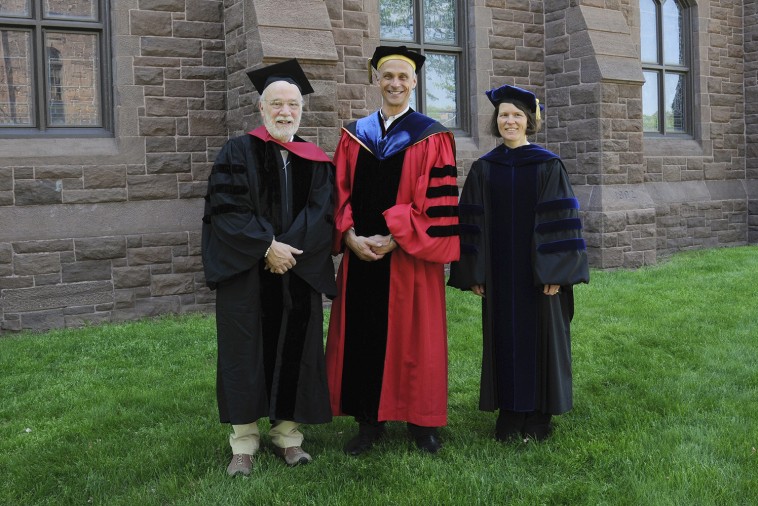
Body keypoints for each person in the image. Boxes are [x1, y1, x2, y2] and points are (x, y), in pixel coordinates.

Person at [201, 59, 335, 476]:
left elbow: (323, 213)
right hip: (248, 275)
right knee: (245, 353)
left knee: (295, 349)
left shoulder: (315, 159)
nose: (285, 112)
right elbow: (226, 211)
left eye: (292, 105)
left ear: (301, 110)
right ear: (261, 109)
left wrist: (288, 251)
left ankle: (288, 437)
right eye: (276, 104)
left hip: (295, 271)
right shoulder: (237, 151)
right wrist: (266, 247)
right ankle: (243, 442)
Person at [325, 46, 460, 455]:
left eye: (403, 77)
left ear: (415, 82)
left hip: (408, 257)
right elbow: (338, 193)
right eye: (388, 76)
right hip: (361, 254)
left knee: (417, 340)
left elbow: (439, 204)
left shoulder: (432, 136)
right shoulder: (354, 134)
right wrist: (348, 236)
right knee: (363, 336)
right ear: (376, 81)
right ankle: (369, 422)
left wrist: (397, 237)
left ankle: (423, 424)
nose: (395, 83)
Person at [448, 84, 589, 442]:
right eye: (504, 115)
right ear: (496, 121)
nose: (509, 121)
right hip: (499, 273)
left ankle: (539, 417)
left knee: (541, 338)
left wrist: (557, 271)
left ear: (529, 121)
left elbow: (562, 221)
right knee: (503, 338)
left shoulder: (547, 164)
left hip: (539, 274)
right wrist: (475, 272)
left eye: (517, 115)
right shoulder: (484, 168)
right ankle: (510, 415)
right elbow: (471, 223)